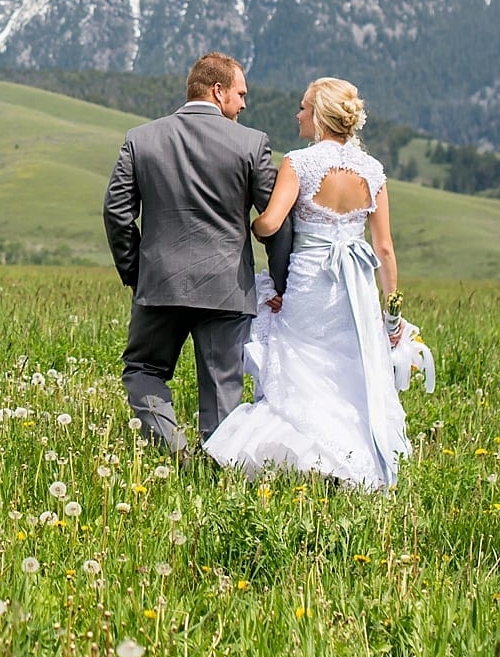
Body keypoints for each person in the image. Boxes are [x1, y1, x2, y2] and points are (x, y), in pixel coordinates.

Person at [203, 77, 411, 490]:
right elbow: (384, 249)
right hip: (356, 289)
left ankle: (301, 459)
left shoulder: (299, 163)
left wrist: (253, 223)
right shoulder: (372, 172)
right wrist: (393, 314)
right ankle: (353, 464)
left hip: (310, 285)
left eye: (302, 107)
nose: (297, 114)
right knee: (348, 369)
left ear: (318, 116)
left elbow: (270, 222)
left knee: (302, 365)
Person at [102, 52, 277, 454]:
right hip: (228, 289)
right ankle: (216, 475)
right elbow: (275, 221)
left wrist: (136, 271)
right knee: (221, 389)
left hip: (160, 284)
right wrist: (280, 279)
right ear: (217, 91)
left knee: (144, 370)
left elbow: (116, 212)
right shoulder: (253, 144)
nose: (244, 104)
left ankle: (175, 452)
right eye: (240, 93)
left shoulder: (140, 139)